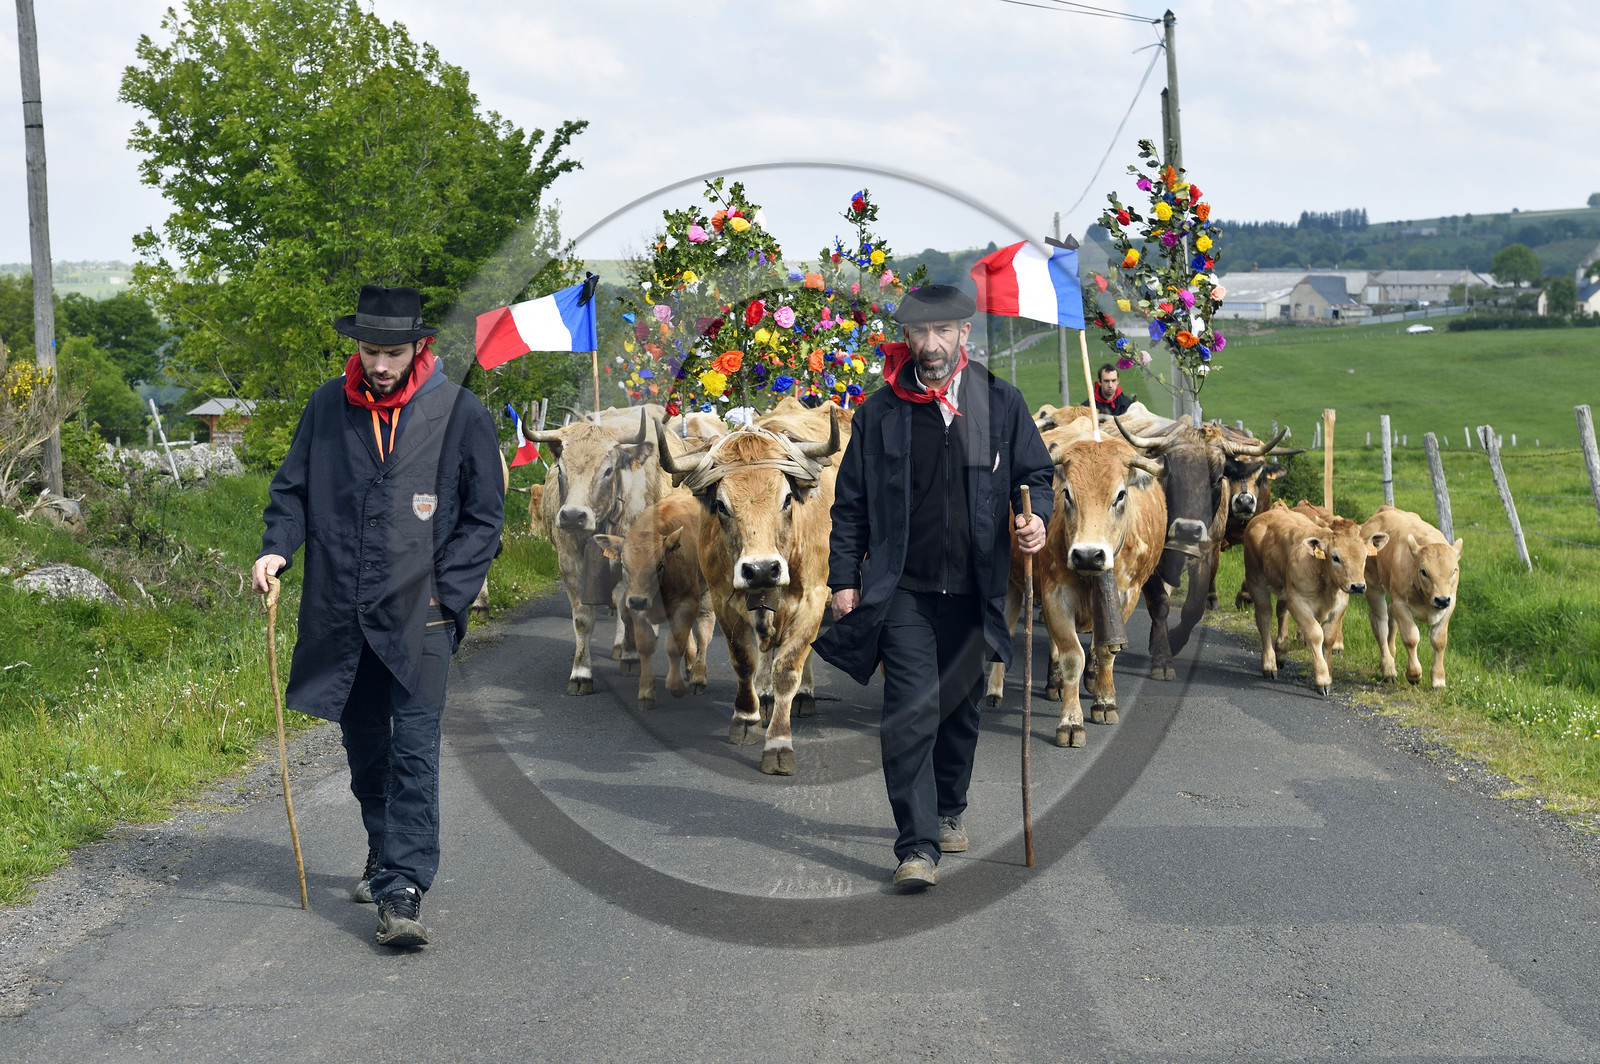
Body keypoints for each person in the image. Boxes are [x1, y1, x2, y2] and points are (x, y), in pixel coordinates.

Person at [251, 285, 504, 947]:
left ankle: (403, 890)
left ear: (419, 346)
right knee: (365, 745)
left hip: (423, 617)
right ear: (356, 348)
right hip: (343, 610)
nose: (381, 364)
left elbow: (483, 519)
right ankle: (381, 847)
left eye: (393, 351)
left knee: (414, 751)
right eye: (370, 351)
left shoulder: (461, 411)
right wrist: (276, 550)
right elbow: (292, 492)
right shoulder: (326, 408)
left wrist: (447, 595)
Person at [814, 285, 1052, 890]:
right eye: (921, 333)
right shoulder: (880, 413)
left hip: (976, 589)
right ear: (908, 338)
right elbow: (850, 505)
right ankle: (916, 847)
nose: (932, 344)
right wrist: (845, 578)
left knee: (960, 711)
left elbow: (1035, 474)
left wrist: (1035, 520)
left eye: (944, 331)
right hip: (904, 591)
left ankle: (949, 807)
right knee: (910, 712)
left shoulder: (999, 402)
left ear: (964, 334)